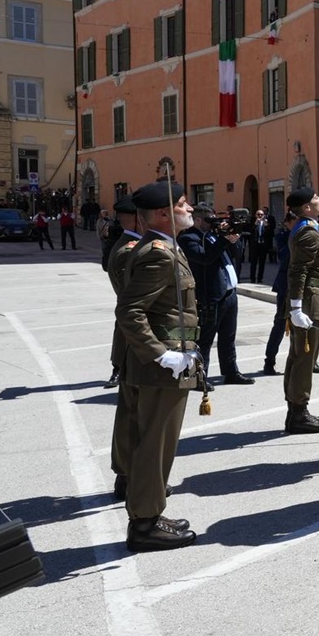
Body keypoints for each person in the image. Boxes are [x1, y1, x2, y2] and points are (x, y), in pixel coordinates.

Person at [114, 180, 200, 551]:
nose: (190, 208)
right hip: (162, 368)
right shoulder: (159, 253)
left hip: (167, 362)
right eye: (183, 204)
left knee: (154, 442)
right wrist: (160, 354)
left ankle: (149, 513)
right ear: (164, 213)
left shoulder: (163, 246)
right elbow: (130, 310)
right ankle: (144, 525)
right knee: (155, 444)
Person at [180, 203, 255, 388]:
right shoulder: (189, 238)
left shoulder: (213, 236)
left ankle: (231, 372)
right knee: (205, 340)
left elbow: (237, 255)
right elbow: (205, 258)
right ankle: (198, 377)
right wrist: (223, 238)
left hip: (229, 293)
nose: (212, 223)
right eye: (208, 220)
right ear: (197, 220)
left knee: (228, 337)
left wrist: (232, 238)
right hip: (210, 296)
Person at [283, 186, 319, 433]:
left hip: (308, 299)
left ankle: (295, 410)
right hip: (310, 301)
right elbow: (298, 271)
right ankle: (298, 413)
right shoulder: (309, 233)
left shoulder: (306, 227)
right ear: (306, 207)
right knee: (305, 358)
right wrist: (296, 307)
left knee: (299, 357)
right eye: (316, 199)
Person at [103, 196, 141, 391]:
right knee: (124, 333)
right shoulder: (129, 247)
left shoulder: (132, 242)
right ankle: (118, 369)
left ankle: (120, 368)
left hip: (129, 303)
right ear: (136, 218)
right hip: (131, 303)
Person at [263, 210, 296, 374]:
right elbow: (283, 258)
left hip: (301, 286)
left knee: (305, 325)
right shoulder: (283, 237)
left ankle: (309, 360)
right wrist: (294, 240)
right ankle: (269, 361)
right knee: (280, 324)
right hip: (285, 286)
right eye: (294, 222)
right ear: (287, 223)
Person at [249, 208, 274, 283]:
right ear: (255, 215)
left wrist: (266, 226)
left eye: (261, 215)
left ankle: (260, 278)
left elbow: (270, 233)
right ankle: (252, 278)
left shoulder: (266, 223)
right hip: (255, 245)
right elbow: (250, 231)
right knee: (253, 263)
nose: (260, 216)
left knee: (262, 263)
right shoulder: (253, 222)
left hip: (263, 245)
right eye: (258, 214)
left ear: (264, 216)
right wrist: (255, 224)